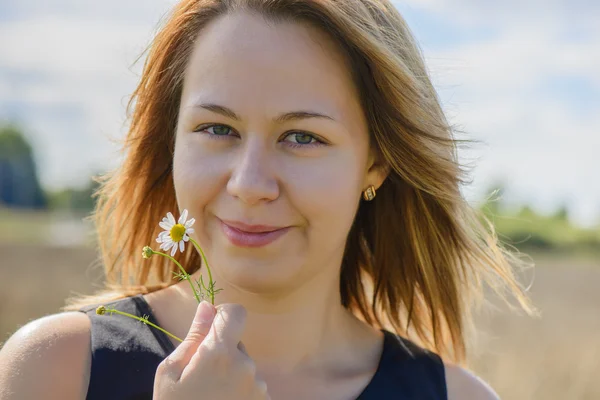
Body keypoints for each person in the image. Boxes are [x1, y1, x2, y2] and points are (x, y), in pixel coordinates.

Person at [0, 0, 536, 398]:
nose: (249, 183)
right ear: (172, 142)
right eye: (217, 129)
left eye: (302, 137)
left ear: (375, 164)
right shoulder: (56, 371)